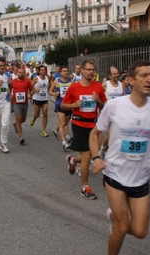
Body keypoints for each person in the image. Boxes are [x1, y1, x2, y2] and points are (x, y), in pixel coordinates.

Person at [89, 60, 150, 255]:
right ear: (131, 80)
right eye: (144, 75)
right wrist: (97, 158)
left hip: (140, 178)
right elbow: (95, 133)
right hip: (114, 174)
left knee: (141, 232)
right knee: (123, 227)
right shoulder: (115, 106)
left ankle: (113, 218)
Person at [61, 60, 107, 200]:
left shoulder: (98, 87)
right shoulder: (74, 88)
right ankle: (85, 187)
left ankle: (73, 160)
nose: (91, 72)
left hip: (93, 125)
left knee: (93, 153)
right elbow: (63, 105)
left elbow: (104, 106)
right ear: (82, 71)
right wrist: (74, 104)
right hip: (79, 123)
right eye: (88, 69)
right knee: (87, 155)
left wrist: (98, 100)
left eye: (93, 70)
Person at [49, 66, 73, 150]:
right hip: (60, 104)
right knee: (62, 123)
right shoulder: (56, 82)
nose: (66, 72)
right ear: (61, 73)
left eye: (67, 71)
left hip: (68, 105)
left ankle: (55, 131)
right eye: (64, 71)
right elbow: (50, 91)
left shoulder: (71, 82)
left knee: (65, 123)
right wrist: (54, 94)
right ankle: (64, 142)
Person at [11, 67, 33, 144]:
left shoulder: (27, 81)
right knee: (19, 118)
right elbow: (9, 89)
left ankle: (15, 124)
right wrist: (11, 97)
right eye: (20, 73)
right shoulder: (13, 82)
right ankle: (21, 137)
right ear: (17, 73)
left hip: (25, 103)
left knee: (22, 120)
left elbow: (32, 89)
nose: (21, 74)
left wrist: (30, 94)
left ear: (24, 73)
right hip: (16, 103)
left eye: (22, 73)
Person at [30, 65, 50, 137]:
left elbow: (49, 86)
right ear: (39, 71)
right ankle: (34, 118)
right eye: (42, 70)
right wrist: (35, 90)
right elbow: (30, 86)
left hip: (45, 98)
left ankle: (43, 130)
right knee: (37, 115)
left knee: (45, 113)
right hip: (37, 98)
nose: (43, 71)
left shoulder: (47, 78)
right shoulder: (36, 78)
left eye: (44, 69)